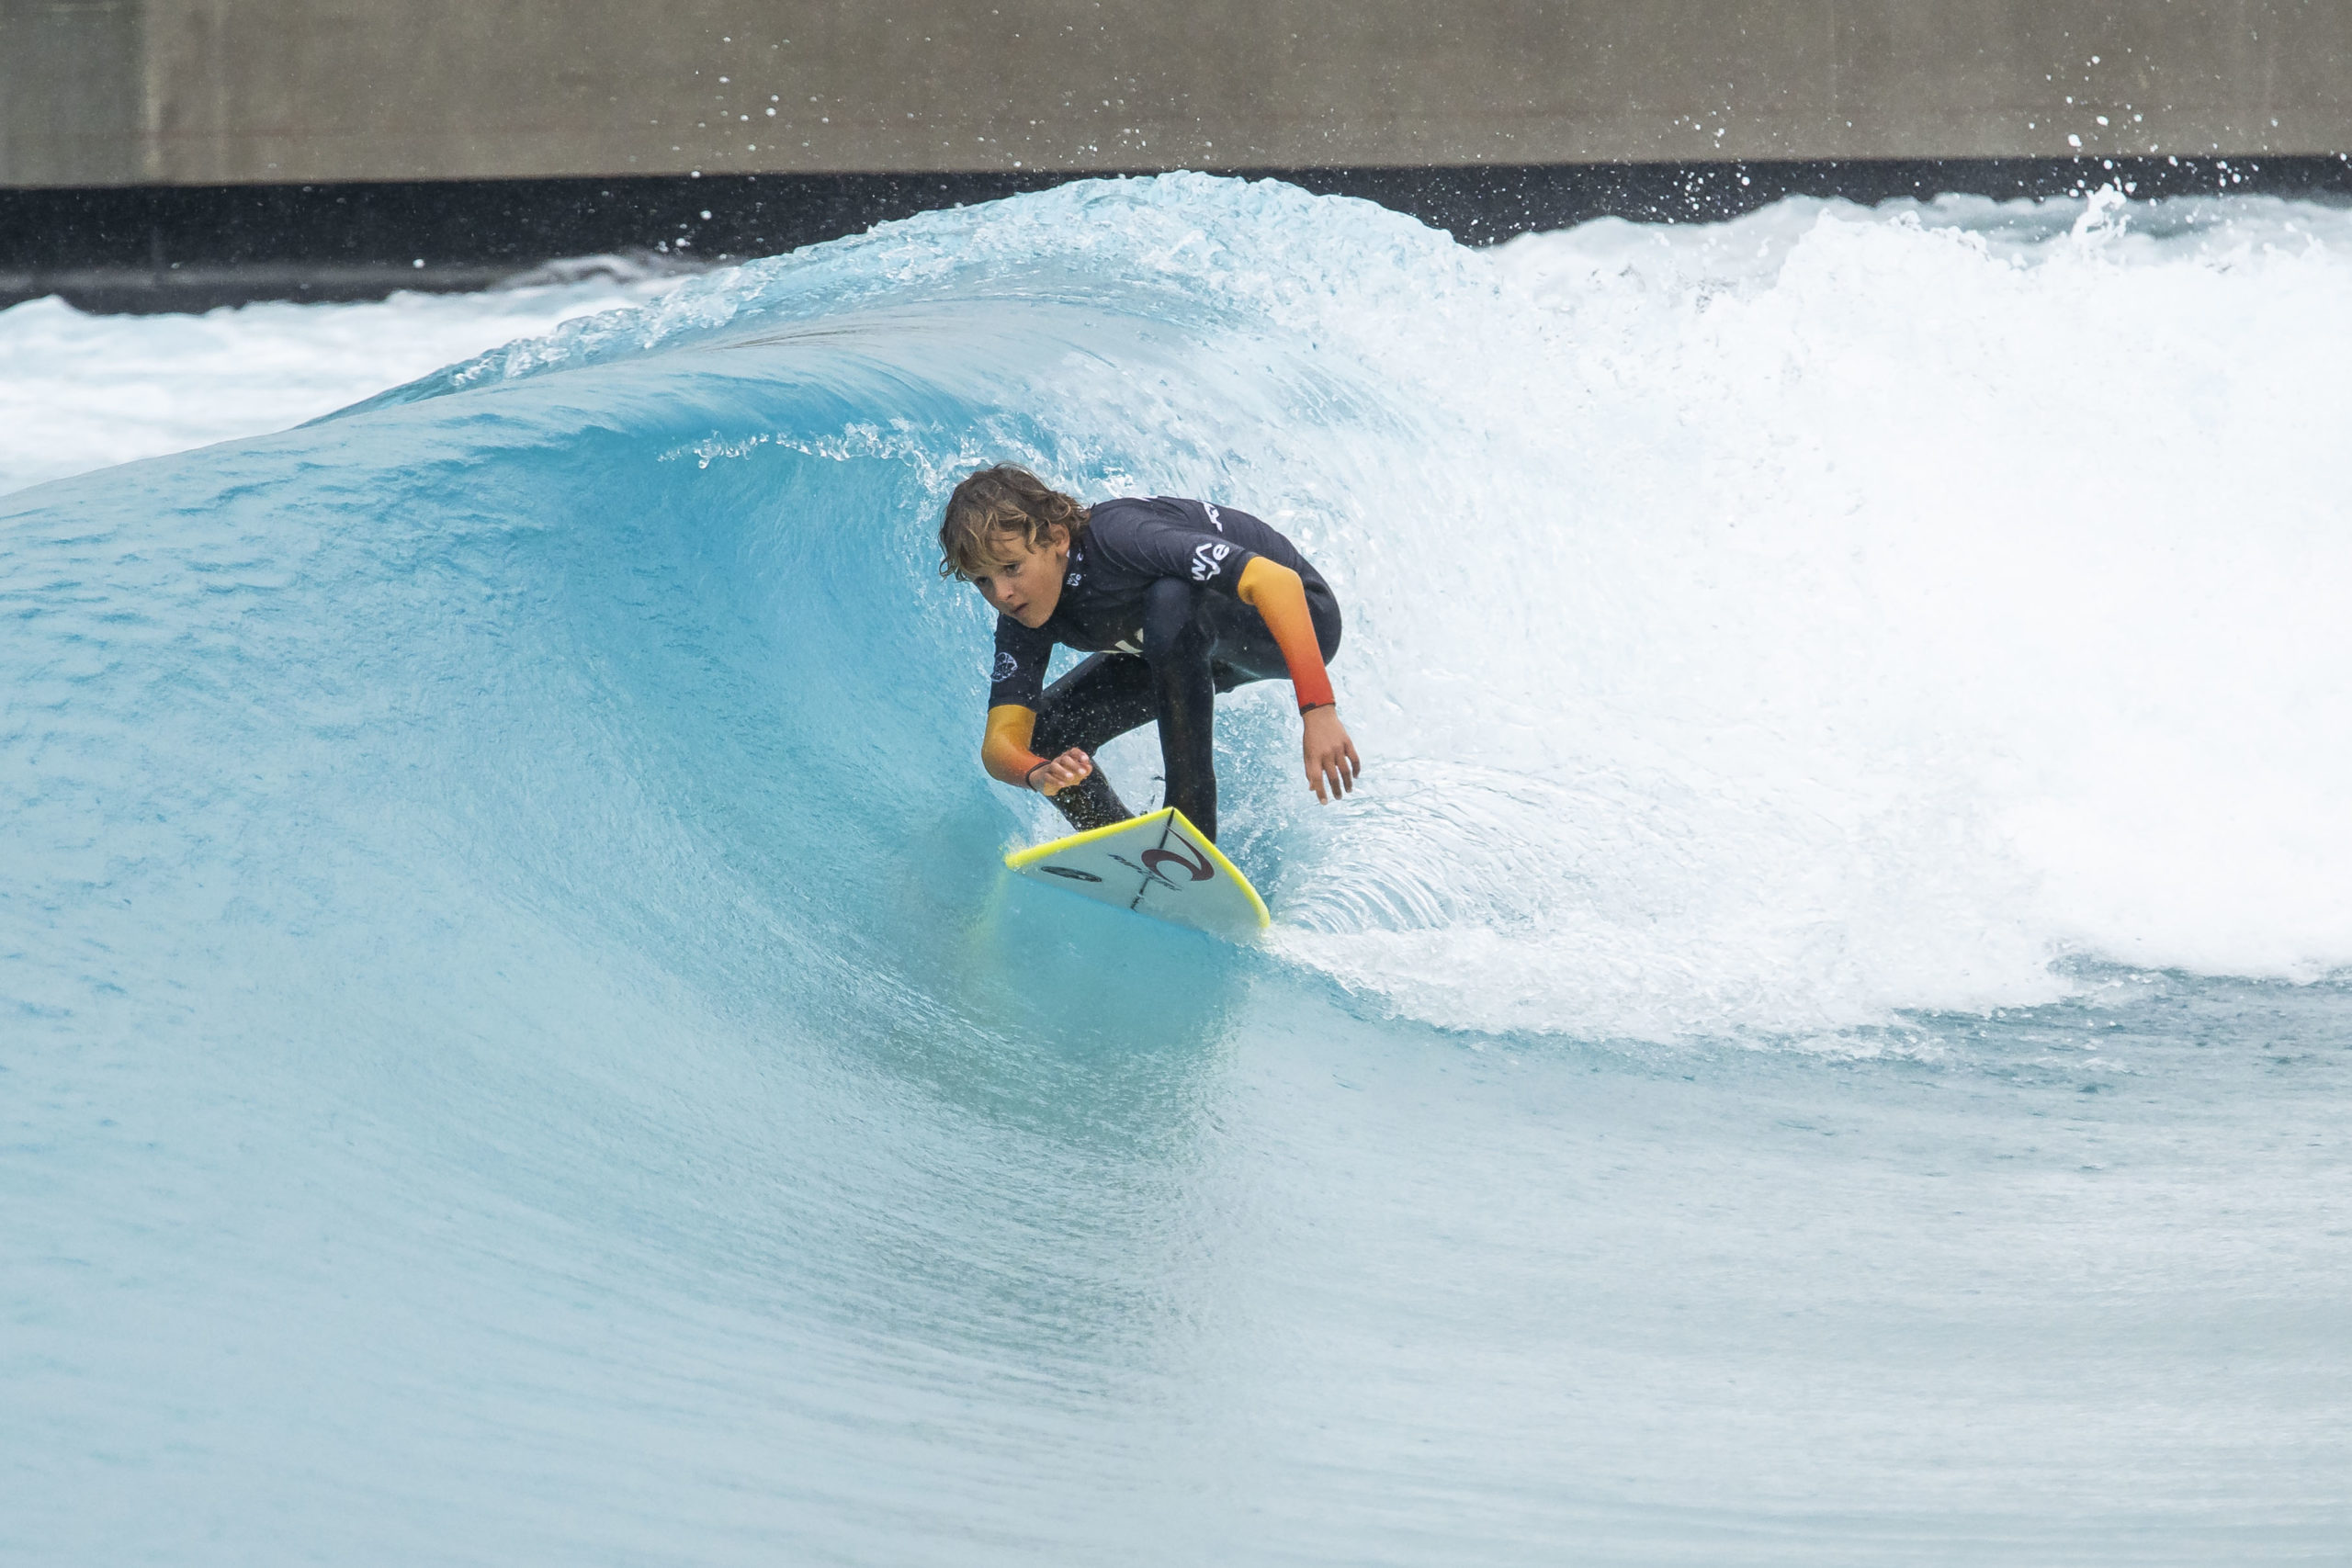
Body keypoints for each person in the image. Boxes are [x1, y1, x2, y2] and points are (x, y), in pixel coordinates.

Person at [937, 464, 1359, 844]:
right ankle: (1125, 851)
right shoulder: (1022, 616)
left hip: (1295, 623)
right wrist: (1036, 773)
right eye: (983, 582)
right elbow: (1000, 744)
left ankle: (1189, 836)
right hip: (1187, 644)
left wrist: (1318, 710)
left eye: (1011, 568)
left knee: (1170, 599)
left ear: (1057, 538)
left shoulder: (1121, 539)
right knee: (1046, 734)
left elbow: (1278, 583)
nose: (1002, 593)